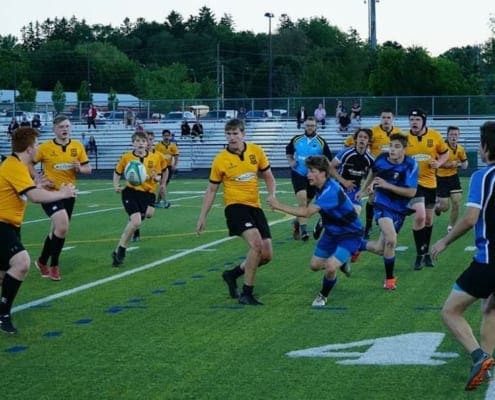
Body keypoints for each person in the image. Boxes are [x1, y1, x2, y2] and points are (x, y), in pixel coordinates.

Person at [431, 121, 495, 392]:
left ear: (486, 146)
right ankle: (488, 361)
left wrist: (444, 241)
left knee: (450, 311)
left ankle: (479, 356)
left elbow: (470, 219)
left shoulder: (484, 176)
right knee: (491, 309)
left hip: (489, 261)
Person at [0, 127, 77, 334]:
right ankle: (3, 315)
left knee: (3, 274)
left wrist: (35, 183)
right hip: (2, 224)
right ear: (29, 148)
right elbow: (34, 197)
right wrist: (61, 193)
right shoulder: (14, 166)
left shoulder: (18, 166)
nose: (38, 148)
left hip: (11, 225)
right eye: (36, 144)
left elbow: (22, 193)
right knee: (21, 262)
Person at [196, 118, 276, 306]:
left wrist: (272, 195)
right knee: (256, 246)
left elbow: (269, 177)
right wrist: (202, 216)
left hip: (255, 207)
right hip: (235, 207)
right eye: (228, 134)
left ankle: (232, 275)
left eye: (235, 133)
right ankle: (247, 293)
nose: (231, 138)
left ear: (243, 134)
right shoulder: (220, 160)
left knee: (266, 255)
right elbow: (211, 190)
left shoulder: (256, 151)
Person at [267, 155, 363, 307]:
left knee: (331, 266)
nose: (308, 175)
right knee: (314, 266)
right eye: (308, 171)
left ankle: (323, 295)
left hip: (350, 234)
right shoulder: (322, 187)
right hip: (332, 233)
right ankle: (342, 261)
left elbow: (306, 213)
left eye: (312, 171)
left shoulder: (331, 190)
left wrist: (278, 205)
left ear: (324, 173)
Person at [32, 114, 92, 281]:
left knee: (57, 230)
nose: (65, 129)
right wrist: (38, 177)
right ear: (54, 130)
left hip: (69, 193)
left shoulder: (77, 146)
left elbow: (88, 169)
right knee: (63, 227)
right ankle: (54, 265)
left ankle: (42, 261)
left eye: (67, 126)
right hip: (49, 193)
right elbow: (28, 163)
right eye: (61, 127)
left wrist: (80, 168)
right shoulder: (44, 148)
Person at [356, 134, 418, 290]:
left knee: (380, 248)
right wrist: (365, 189)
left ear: (404, 149)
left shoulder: (411, 165)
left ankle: (356, 245)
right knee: (391, 239)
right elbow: (373, 171)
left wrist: (386, 185)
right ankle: (389, 280)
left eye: (397, 147)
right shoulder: (381, 158)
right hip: (382, 202)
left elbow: (411, 193)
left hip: (400, 207)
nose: (392, 149)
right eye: (391, 146)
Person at [345, 109, 403, 239]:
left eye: (388, 117)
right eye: (384, 117)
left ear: (393, 119)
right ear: (380, 119)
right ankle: (369, 225)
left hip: (394, 171)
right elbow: (350, 141)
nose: (386, 120)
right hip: (377, 171)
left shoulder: (398, 133)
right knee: (372, 198)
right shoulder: (374, 132)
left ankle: (390, 220)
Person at [112, 131, 166, 267]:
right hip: (131, 192)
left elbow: (159, 176)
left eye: (143, 141)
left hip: (148, 193)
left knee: (149, 214)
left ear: (147, 143)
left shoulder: (155, 158)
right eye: (137, 141)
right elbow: (117, 172)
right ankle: (121, 249)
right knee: (136, 222)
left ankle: (121, 243)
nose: (140, 143)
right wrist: (116, 185)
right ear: (133, 143)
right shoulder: (127, 157)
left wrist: (156, 178)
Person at [406, 109, 449, 270]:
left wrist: (439, 163)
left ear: (423, 121)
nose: (414, 122)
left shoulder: (435, 136)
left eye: (417, 119)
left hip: (430, 183)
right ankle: (419, 255)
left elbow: (445, 154)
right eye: (411, 119)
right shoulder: (405, 138)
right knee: (419, 217)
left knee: (429, 220)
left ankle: (425, 252)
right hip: (413, 185)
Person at [285, 116, 333, 241]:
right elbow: (288, 151)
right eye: (308, 125)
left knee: (306, 205)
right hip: (298, 173)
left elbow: (328, 159)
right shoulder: (296, 139)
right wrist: (291, 161)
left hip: (313, 176)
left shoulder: (321, 142)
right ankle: (304, 231)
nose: (310, 127)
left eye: (312, 125)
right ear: (304, 126)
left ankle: (296, 222)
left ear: (316, 126)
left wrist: (324, 173)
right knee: (302, 201)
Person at [330, 128, 374, 216]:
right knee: (333, 216)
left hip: (355, 190)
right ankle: (319, 226)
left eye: (365, 137)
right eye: (360, 137)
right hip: (339, 187)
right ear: (356, 139)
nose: (362, 139)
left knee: (355, 213)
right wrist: (343, 181)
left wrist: (367, 187)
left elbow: (373, 175)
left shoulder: (370, 159)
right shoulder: (346, 153)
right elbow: (330, 168)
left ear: (369, 141)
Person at [435, 126, 468, 233]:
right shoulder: (442, 148)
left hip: (453, 178)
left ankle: (451, 227)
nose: (454, 137)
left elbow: (465, 163)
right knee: (445, 207)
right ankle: (438, 207)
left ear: (459, 136)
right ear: (447, 136)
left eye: (456, 135)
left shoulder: (460, 149)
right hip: (441, 179)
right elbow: (437, 164)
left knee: (457, 203)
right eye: (451, 135)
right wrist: (448, 165)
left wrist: (461, 164)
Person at [154, 129, 179, 208]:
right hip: (160, 167)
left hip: (169, 167)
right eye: (165, 136)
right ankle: (165, 202)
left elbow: (176, 156)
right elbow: (154, 156)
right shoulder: (158, 146)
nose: (166, 137)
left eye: (168, 136)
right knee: (162, 185)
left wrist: (175, 165)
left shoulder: (173, 146)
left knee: (164, 185)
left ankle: (157, 202)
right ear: (162, 136)